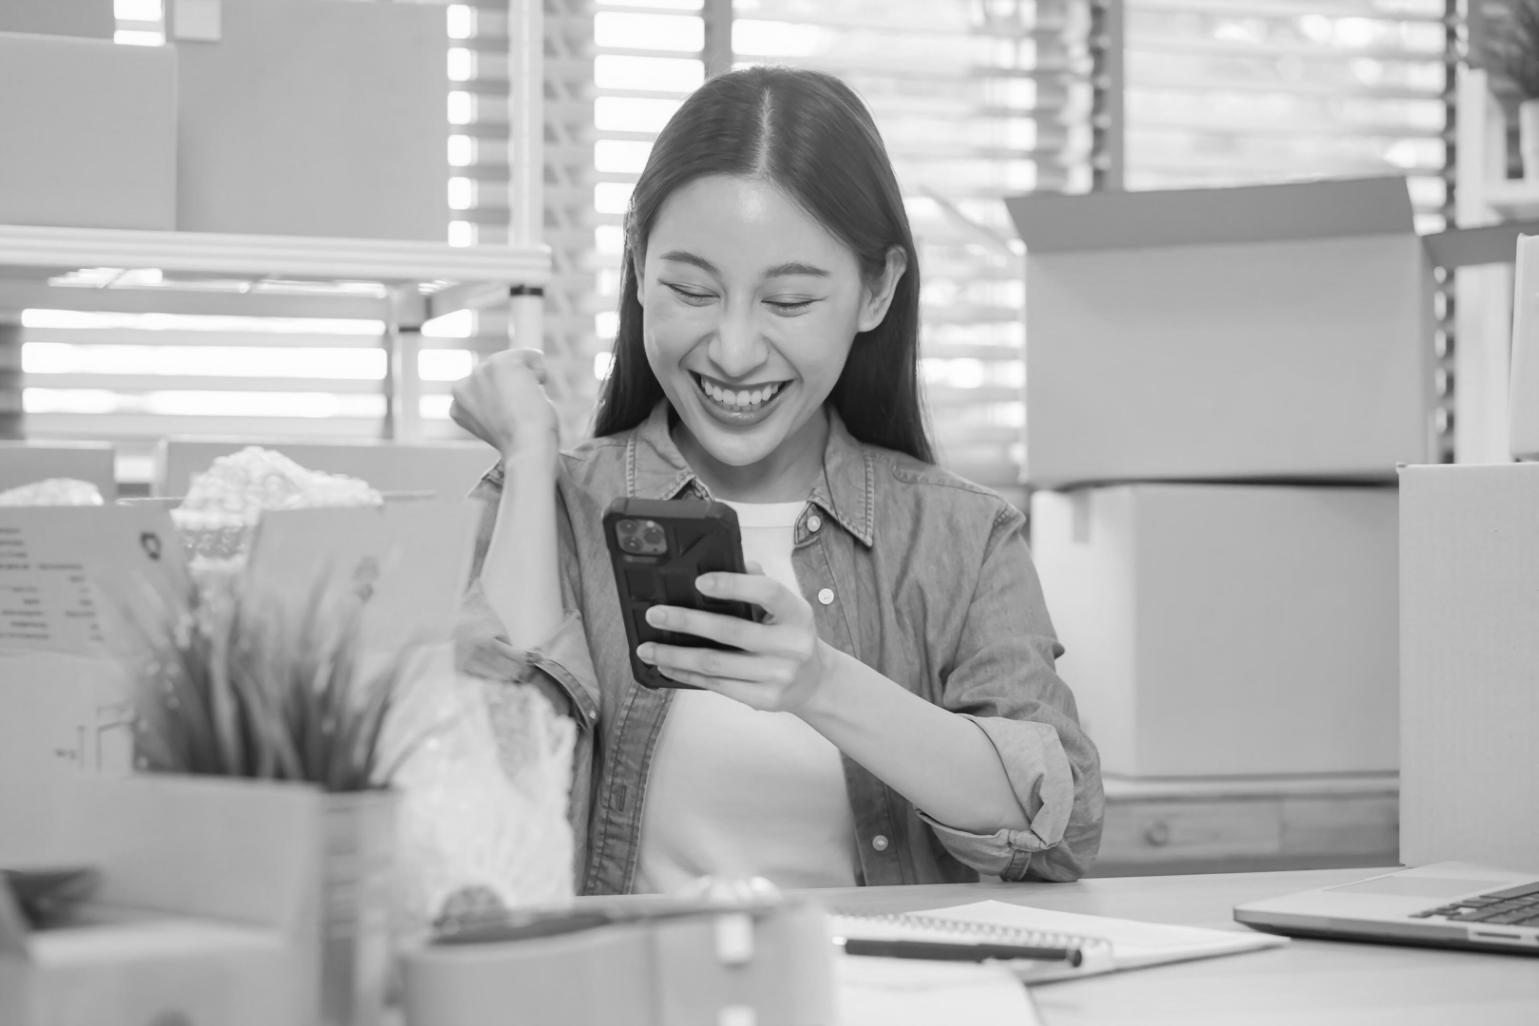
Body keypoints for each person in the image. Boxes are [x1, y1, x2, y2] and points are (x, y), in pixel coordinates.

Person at [451, 65, 1103, 896]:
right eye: (690, 289)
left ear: (876, 290)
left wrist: (819, 683)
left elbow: (1064, 826)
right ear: (638, 271)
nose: (731, 350)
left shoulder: (959, 536)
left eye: (787, 302)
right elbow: (487, 804)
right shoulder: (547, 503)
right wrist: (532, 457)